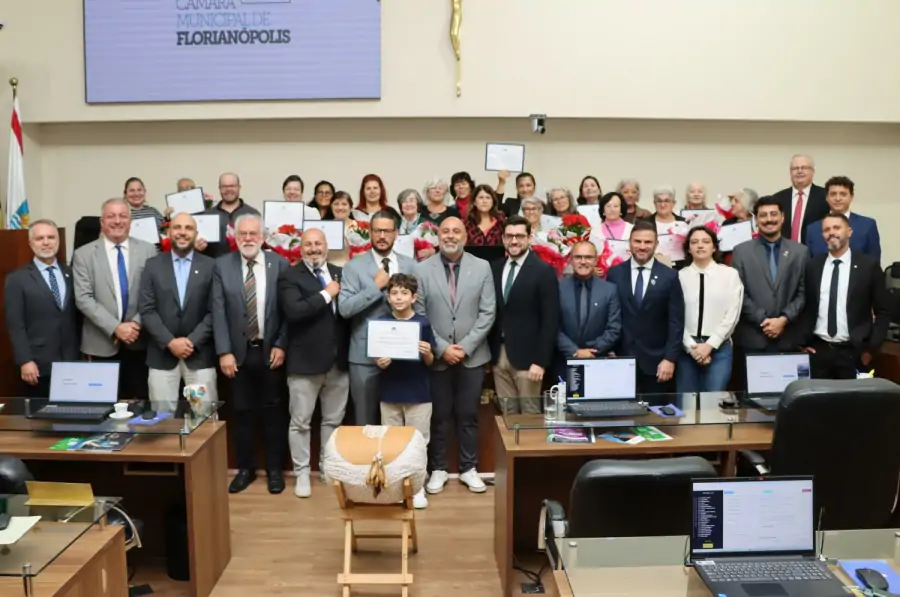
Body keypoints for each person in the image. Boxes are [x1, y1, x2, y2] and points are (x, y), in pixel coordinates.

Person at [414, 216, 496, 494]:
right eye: (445, 231)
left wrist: (465, 347)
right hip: (437, 357)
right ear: (437, 237)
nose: (450, 236)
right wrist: (442, 348)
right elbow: (420, 314)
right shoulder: (422, 269)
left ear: (466, 236)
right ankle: (437, 469)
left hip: (472, 357)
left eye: (456, 231)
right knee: (439, 416)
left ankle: (468, 468)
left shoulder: (482, 267)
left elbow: (488, 313)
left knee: (468, 415)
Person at [212, 214, 289, 494]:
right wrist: (224, 352)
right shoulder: (222, 266)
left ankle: (274, 470)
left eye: (253, 234)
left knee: (274, 414)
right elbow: (218, 312)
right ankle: (245, 469)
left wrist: (281, 344)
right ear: (235, 237)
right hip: (238, 356)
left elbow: (286, 312)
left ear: (262, 237)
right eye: (242, 233)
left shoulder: (278, 263)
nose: (247, 238)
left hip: (271, 353)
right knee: (242, 414)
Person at [279, 228, 349, 498]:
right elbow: (295, 311)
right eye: (308, 244)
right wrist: (327, 294)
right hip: (304, 363)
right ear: (300, 248)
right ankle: (302, 474)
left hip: (338, 362)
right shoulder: (289, 276)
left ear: (326, 245)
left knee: (333, 420)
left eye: (318, 243)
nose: (313, 248)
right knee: (300, 422)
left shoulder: (339, 272)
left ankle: (326, 467)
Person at [73, 198, 158, 401]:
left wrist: (135, 324)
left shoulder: (148, 251)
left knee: (141, 404)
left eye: (123, 216)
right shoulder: (83, 254)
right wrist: (116, 328)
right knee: (103, 404)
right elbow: (83, 298)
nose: (117, 221)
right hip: (100, 343)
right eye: (111, 216)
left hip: (139, 342)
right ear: (102, 222)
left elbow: (153, 293)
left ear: (130, 221)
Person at [338, 210, 416, 425]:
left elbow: (421, 307)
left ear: (396, 233)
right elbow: (344, 309)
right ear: (370, 233)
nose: (382, 236)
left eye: (387, 231)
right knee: (365, 421)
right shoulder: (354, 266)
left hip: (404, 354)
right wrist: (375, 287)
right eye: (377, 231)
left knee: (403, 423)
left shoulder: (411, 266)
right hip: (365, 357)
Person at [138, 212, 218, 412]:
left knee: (202, 417)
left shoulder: (210, 266)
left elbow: (215, 309)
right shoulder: (153, 265)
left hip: (198, 357)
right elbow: (147, 310)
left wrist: (192, 341)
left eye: (188, 228)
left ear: (196, 233)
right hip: (162, 355)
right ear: (168, 232)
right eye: (177, 228)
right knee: (162, 421)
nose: (182, 233)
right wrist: (170, 342)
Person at [373, 273, 436, 509]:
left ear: (413, 297)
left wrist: (427, 352)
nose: (399, 298)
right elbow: (376, 359)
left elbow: (430, 361)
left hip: (418, 393)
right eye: (394, 293)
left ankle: (417, 488)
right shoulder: (381, 324)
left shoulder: (423, 323)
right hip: (390, 393)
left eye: (404, 293)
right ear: (388, 297)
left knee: (418, 443)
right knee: (392, 443)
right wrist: (380, 362)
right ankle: (398, 488)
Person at [801, 213, 890, 379]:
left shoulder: (868, 266)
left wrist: (871, 348)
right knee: (817, 404)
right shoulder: (813, 266)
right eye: (826, 229)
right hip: (818, 351)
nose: (831, 233)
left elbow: (883, 311)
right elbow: (805, 306)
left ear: (849, 231)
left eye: (836, 227)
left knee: (853, 404)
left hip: (855, 352)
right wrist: (802, 343)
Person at [605, 220, 685, 397]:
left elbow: (676, 321)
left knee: (657, 420)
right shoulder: (614, 273)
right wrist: (609, 350)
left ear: (656, 244)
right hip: (621, 358)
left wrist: (669, 359)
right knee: (620, 418)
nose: (642, 246)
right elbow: (609, 316)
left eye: (648, 242)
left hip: (657, 362)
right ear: (630, 243)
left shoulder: (670, 276)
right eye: (637, 241)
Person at [489, 215, 560, 414]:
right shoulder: (495, 267)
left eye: (520, 236)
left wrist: (541, 361)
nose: (514, 241)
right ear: (502, 238)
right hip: (499, 355)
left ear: (530, 238)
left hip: (529, 360)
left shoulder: (543, 271)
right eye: (509, 236)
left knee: (529, 416)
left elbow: (550, 320)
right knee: (507, 415)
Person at [4, 219, 80, 398]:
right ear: (31, 243)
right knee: (42, 422)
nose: (46, 242)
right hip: (38, 365)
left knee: (72, 418)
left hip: (71, 362)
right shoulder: (17, 279)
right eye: (40, 238)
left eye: (51, 237)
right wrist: (25, 360)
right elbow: (16, 324)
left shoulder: (70, 273)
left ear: (58, 241)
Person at [731, 196, 808, 354]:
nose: (769, 219)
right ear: (756, 220)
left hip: (789, 337)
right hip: (753, 338)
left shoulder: (800, 252)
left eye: (773, 214)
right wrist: (763, 320)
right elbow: (738, 291)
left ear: (782, 217)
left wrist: (783, 319)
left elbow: (804, 291)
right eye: (763, 215)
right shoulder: (741, 251)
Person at [676, 227, 743, 393]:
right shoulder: (679, 276)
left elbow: (732, 315)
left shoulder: (730, 275)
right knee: (687, 407)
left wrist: (709, 346)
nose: (700, 246)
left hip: (720, 348)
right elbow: (674, 317)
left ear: (714, 247)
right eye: (694, 242)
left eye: (705, 242)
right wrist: (692, 348)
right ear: (688, 248)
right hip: (687, 348)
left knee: (714, 405)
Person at [556, 241, 621, 367]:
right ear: (571, 260)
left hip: (598, 361)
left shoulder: (610, 289)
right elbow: (552, 326)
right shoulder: (557, 287)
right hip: (563, 361)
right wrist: (574, 351)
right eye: (578, 257)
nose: (583, 261)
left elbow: (614, 328)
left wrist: (591, 352)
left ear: (596, 260)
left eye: (588, 257)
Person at [805, 176, 881, 265]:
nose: (838, 199)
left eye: (843, 194)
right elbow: (809, 265)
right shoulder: (813, 229)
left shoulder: (867, 225)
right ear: (826, 197)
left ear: (851, 197)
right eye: (833, 194)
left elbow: (874, 263)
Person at [772, 154, 829, 243]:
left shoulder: (825, 196)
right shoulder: (777, 198)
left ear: (813, 172)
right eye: (795, 168)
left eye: (804, 168)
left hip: (815, 253)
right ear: (790, 172)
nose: (799, 171)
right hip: (784, 253)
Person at [201, 172, 260, 258]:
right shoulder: (207, 215)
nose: (228, 189)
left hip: (245, 268)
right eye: (224, 186)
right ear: (219, 189)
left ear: (239, 188)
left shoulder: (253, 214)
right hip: (214, 268)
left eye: (232, 186)